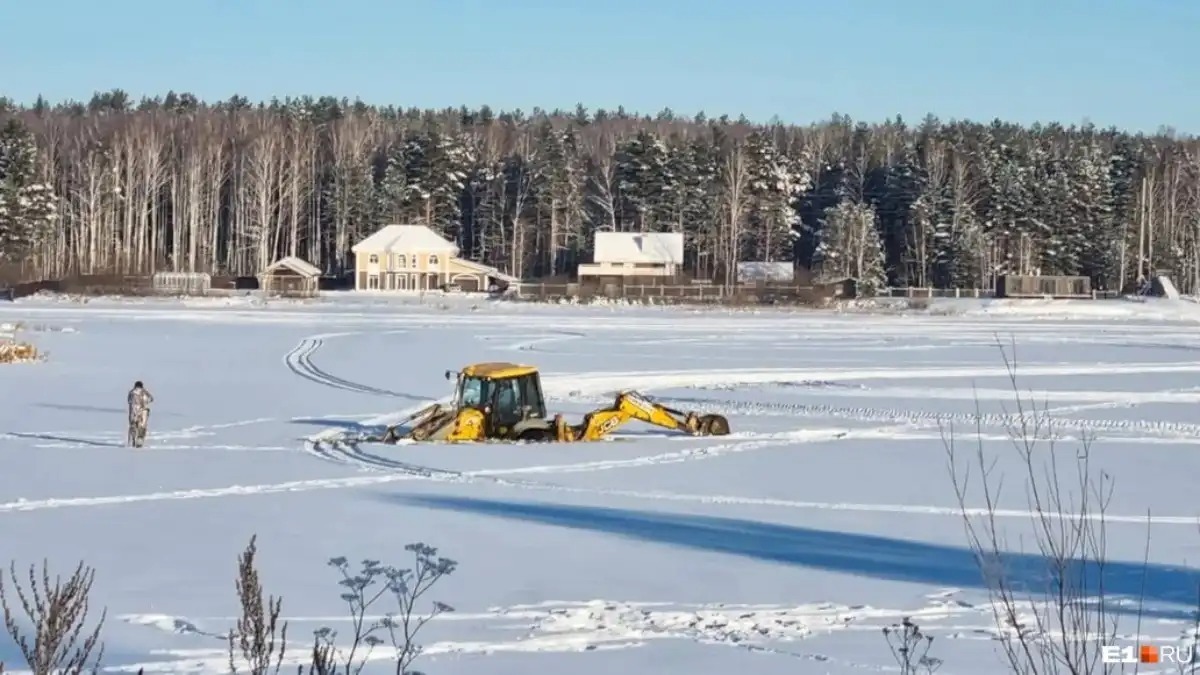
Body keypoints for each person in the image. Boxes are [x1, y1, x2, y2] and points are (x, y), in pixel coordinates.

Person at [127, 381, 154, 447]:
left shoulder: (131, 392)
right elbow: (151, 399)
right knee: (142, 427)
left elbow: (128, 401)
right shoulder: (144, 392)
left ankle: (133, 439)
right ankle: (139, 440)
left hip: (133, 412)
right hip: (143, 412)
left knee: (133, 425)